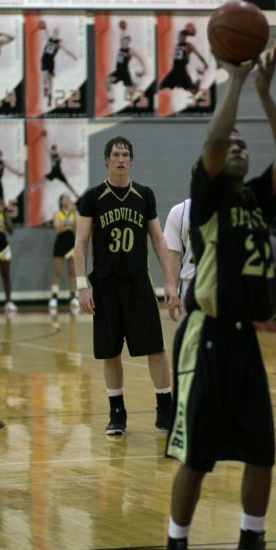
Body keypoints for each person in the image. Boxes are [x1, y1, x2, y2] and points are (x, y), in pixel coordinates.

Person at [156, 44, 276, 550]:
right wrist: (236, 81)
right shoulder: (207, 195)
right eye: (232, 146)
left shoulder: (256, 199)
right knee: (197, 456)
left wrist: (265, 94)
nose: (239, 149)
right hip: (205, 335)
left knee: (262, 450)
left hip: (245, 338)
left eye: (245, 146)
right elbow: (215, 139)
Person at [74, 136, 180, 435]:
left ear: (131, 160)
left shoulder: (144, 195)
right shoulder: (93, 197)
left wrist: (170, 282)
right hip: (105, 286)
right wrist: (82, 286)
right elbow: (80, 244)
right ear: (106, 160)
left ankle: (164, 409)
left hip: (138, 283)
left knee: (156, 349)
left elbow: (159, 240)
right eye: (116, 154)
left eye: (125, 154)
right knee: (110, 352)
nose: (121, 159)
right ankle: (117, 413)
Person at [164, 186, 195, 322]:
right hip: (190, 286)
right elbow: (174, 256)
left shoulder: (231, 211)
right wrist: (172, 290)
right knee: (190, 341)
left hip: (221, 285)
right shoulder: (180, 212)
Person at [159, 27, 208, 104]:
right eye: (179, 36)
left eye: (182, 36)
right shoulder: (177, 45)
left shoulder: (188, 45)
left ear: (185, 37)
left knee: (193, 90)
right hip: (174, 71)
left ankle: (199, 79)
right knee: (161, 86)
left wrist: (205, 63)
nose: (180, 37)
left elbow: (198, 54)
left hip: (182, 71)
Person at [48, 193, 79, 313]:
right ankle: (54, 297)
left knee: (72, 272)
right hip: (61, 242)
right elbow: (58, 227)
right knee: (58, 272)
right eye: (65, 198)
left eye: (68, 198)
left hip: (71, 241)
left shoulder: (73, 212)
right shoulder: (57, 213)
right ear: (61, 201)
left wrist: (76, 213)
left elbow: (77, 227)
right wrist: (67, 215)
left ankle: (73, 296)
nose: (68, 200)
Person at [28, 136, 83, 201]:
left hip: (59, 173)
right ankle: (31, 188)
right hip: (53, 173)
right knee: (42, 180)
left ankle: (76, 195)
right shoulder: (51, 155)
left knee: (68, 184)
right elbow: (46, 147)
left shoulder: (59, 155)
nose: (53, 151)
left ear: (56, 150)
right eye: (52, 150)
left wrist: (79, 156)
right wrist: (43, 139)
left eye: (54, 150)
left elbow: (69, 155)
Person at [105, 24, 146, 106]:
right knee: (107, 80)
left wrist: (144, 67)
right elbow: (121, 36)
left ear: (128, 43)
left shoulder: (130, 51)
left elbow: (139, 57)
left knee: (130, 91)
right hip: (118, 72)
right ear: (122, 41)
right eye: (124, 41)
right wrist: (123, 30)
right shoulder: (121, 47)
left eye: (127, 41)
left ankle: (138, 80)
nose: (125, 42)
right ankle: (111, 98)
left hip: (124, 73)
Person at [40, 25, 77, 106]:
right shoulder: (49, 39)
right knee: (44, 77)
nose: (55, 33)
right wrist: (45, 27)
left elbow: (66, 50)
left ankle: (49, 94)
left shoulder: (59, 42)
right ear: (53, 33)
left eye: (56, 32)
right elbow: (46, 32)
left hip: (50, 60)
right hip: (44, 59)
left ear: (58, 34)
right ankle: (45, 88)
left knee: (49, 79)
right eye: (54, 32)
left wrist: (73, 56)